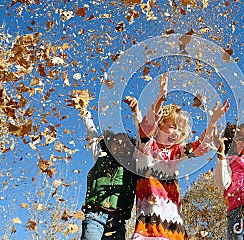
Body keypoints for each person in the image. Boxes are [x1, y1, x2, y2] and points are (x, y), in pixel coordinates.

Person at [132, 73, 229, 240]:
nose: (175, 132)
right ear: (160, 124)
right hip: (150, 228)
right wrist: (160, 100)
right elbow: (146, 127)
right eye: (172, 126)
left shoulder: (176, 152)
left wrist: (212, 121)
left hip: (174, 228)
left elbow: (199, 147)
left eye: (179, 130)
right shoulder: (146, 146)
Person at [80, 96, 141, 240]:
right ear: (109, 146)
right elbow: (92, 134)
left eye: (124, 143)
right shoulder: (101, 156)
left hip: (118, 221)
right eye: (116, 142)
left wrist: (135, 112)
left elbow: (142, 136)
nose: (120, 145)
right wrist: (84, 112)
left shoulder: (133, 164)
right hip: (95, 215)